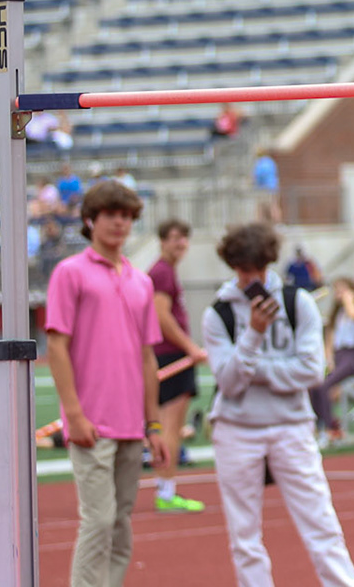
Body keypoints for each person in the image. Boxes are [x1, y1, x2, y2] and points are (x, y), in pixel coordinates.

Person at [204, 224, 354, 587]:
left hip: (291, 426)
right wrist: (253, 335)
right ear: (233, 266)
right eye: (244, 269)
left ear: (269, 263)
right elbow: (227, 383)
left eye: (259, 268)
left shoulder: (297, 302)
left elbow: (311, 371)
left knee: (322, 525)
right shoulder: (219, 313)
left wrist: (251, 368)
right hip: (236, 430)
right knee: (244, 538)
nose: (253, 278)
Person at [45, 180, 171, 587]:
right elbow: (56, 345)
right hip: (91, 422)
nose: (119, 223)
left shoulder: (141, 281)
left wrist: (154, 425)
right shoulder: (70, 273)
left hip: (133, 423)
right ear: (90, 220)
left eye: (126, 216)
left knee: (120, 523)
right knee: (98, 520)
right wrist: (74, 415)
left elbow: (148, 356)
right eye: (110, 215)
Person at [148, 218, 209, 514]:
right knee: (170, 427)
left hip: (169, 356)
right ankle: (167, 492)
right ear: (162, 240)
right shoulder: (162, 273)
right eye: (174, 238)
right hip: (172, 357)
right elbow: (161, 316)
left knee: (165, 427)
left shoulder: (166, 272)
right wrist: (190, 348)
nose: (181, 243)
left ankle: (165, 490)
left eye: (184, 238)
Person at [310, 279, 354, 444]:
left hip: (352, 357)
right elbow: (329, 342)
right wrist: (329, 361)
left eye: (342, 290)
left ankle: (331, 428)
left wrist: (349, 300)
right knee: (315, 386)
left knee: (325, 386)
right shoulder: (336, 315)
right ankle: (320, 425)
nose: (338, 294)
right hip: (339, 356)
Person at [253, 151, 281, 224]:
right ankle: (277, 222)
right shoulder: (271, 162)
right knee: (274, 205)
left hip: (264, 189)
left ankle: (260, 224)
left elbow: (257, 176)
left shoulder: (260, 163)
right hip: (274, 187)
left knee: (261, 207)